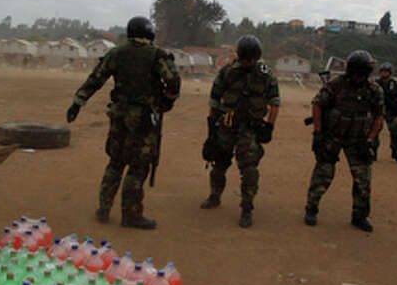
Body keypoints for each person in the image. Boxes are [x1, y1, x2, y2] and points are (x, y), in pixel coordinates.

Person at [66, 16, 181, 229]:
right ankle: (131, 215)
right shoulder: (157, 55)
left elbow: (96, 79)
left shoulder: (116, 53)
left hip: (118, 115)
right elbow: (173, 81)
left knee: (116, 161)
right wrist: (166, 101)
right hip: (143, 118)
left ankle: (104, 208)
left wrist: (77, 102)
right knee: (137, 166)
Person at [200, 35, 280, 228]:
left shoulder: (265, 74)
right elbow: (214, 100)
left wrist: (269, 126)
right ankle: (214, 196)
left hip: (250, 129)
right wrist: (212, 128)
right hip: (226, 125)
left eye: (251, 59)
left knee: (250, 169)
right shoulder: (227, 72)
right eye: (245, 59)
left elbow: (275, 102)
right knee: (219, 164)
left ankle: (247, 209)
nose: (248, 63)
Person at [303, 49, 384, 232]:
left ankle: (359, 216)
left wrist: (370, 140)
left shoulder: (374, 90)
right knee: (323, 173)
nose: (358, 78)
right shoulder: (336, 85)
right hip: (333, 136)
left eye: (362, 74)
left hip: (359, 140)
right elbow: (317, 104)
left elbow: (379, 116)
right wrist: (318, 133)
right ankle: (311, 209)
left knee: (363, 180)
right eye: (356, 73)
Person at [374, 61, 397, 163]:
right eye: (383, 71)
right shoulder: (375, 83)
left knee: (395, 130)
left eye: (386, 71)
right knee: (374, 131)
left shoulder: (394, 84)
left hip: (391, 112)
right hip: (378, 111)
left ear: (390, 72)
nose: (384, 73)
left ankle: (394, 152)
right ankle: (373, 152)